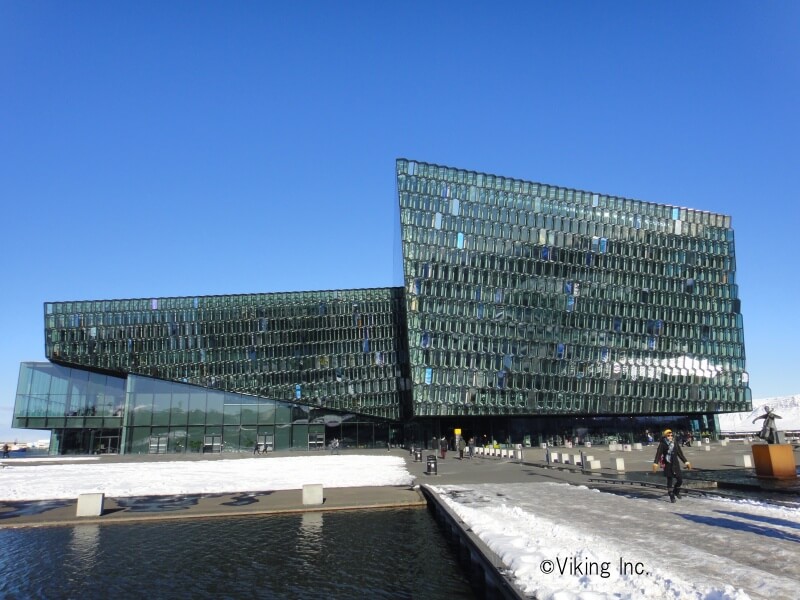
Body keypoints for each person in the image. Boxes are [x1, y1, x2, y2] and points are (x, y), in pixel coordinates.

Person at [653, 429, 691, 503]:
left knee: (680, 480)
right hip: (668, 464)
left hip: (675, 464)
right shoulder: (662, 444)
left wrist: (686, 462)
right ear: (665, 436)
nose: (670, 437)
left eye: (671, 435)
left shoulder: (675, 443)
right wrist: (655, 463)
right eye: (668, 435)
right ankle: (671, 495)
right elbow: (658, 454)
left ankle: (676, 491)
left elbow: (680, 454)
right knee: (669, 480)